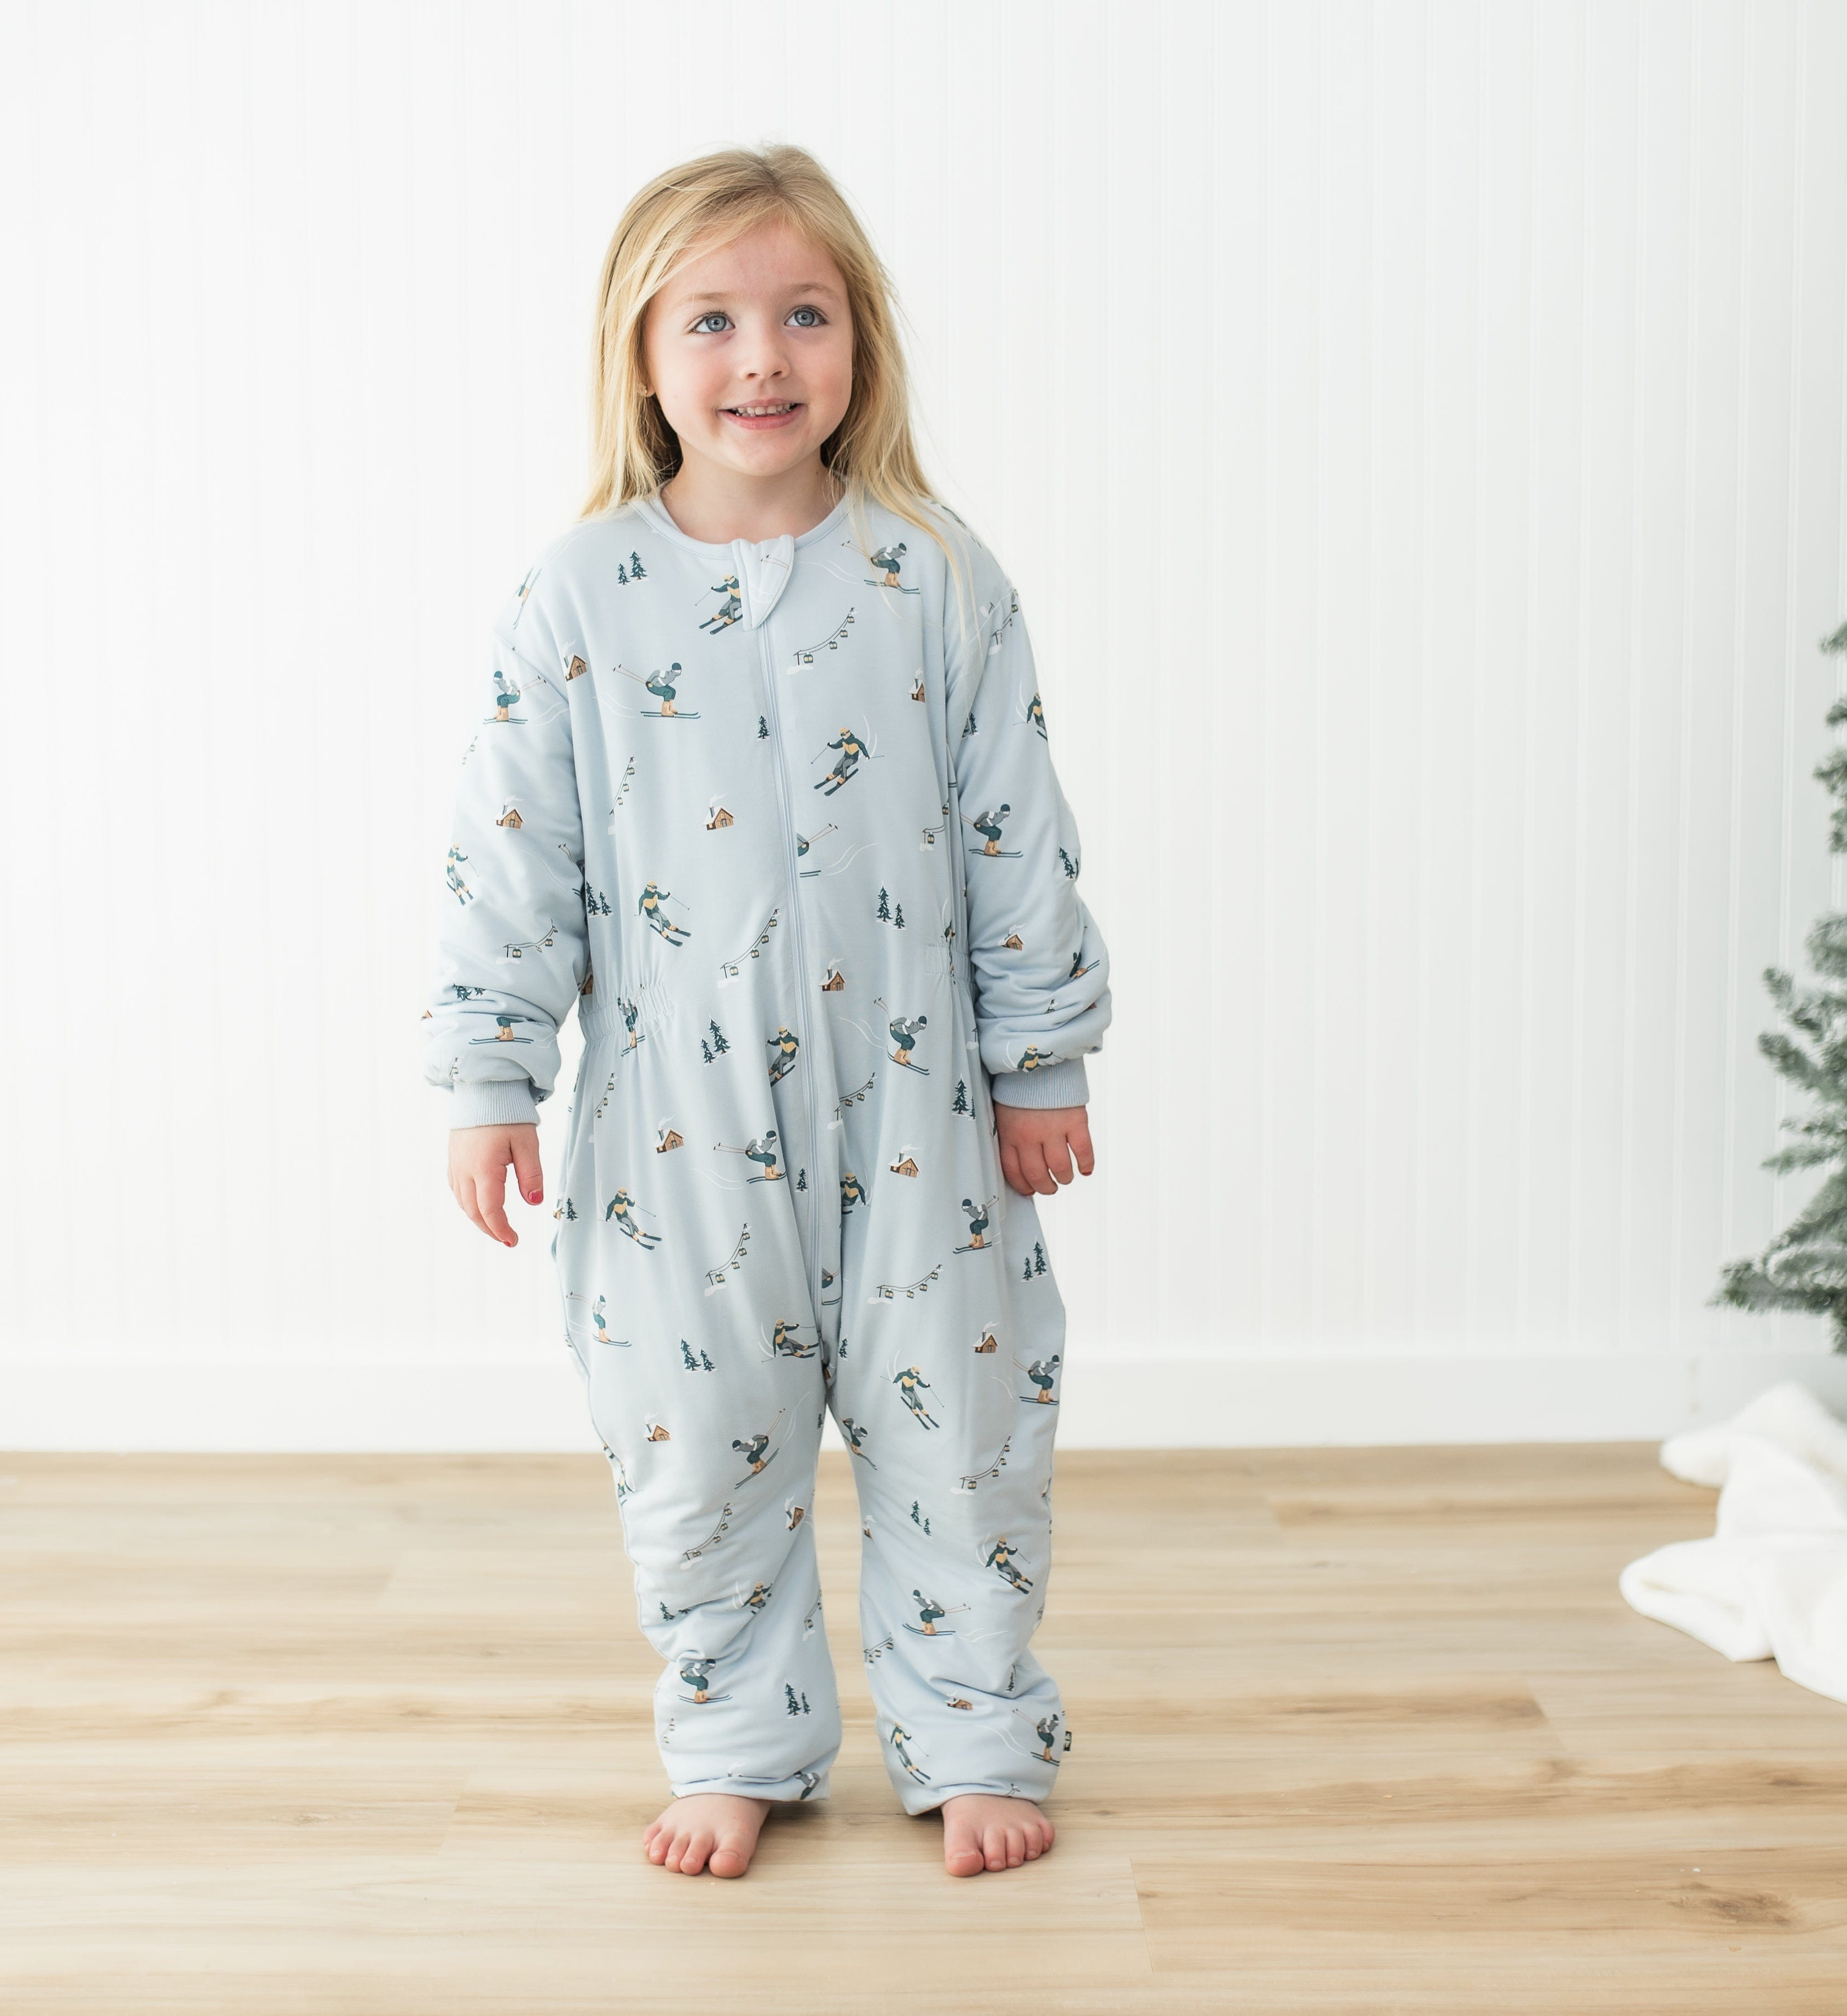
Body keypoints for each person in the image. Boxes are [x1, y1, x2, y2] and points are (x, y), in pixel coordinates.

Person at [423, 143, 1112, 1882]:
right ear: (641, 357)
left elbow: (1017, 832)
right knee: (693, 1447)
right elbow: (515, 859)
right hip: (675, 1135)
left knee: (963, 1437)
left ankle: (969, 1734)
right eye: (714, 319)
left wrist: (1039, 1056)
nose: (762, 359)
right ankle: (736, 1736)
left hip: (924, 1118)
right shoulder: (577, 600)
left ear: (860, 344)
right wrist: (488, 1074)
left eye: (805, 315)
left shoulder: (935, 579)